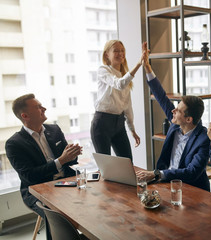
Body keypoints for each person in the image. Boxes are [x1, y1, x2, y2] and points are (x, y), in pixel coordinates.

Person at [5, 94, 82, 239]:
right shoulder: (14, 144)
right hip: (37, 190)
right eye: (38, 107)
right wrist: (61, 160)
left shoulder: (54, 129)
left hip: (65, 181)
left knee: (93, 196)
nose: (44, 108)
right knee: (56, 215)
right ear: (25, 116)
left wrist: (72, 154)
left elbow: (68, 162)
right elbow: (30, 176)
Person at [136, 43, 210, 191]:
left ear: (189, 119)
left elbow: (191, 172)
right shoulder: (176, 124)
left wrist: (157, 174)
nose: (173, 111)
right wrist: (147, 67)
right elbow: (161, 96)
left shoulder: (203, 138)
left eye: (178, 110)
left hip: (191, 190)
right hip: (166, 184)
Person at [91, 40, 145, 160]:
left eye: (122, 51)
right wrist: (139, 64)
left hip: (119, 124)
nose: (120, 53)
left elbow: (127, 106)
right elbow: (119, 84)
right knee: (106, 168)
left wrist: (132, 130)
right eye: (116, 51)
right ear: (107, 55)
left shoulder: (124, 76)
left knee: (127, 164)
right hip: (102, 123)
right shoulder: (103, 70)